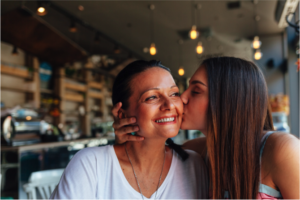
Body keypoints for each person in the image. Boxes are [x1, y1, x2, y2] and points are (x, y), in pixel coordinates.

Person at [112, 57, 300, 200]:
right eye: (182, 90)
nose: (181, 98)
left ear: (228, 100)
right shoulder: (193, 152)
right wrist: (127, 140)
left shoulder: (282, 150)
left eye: (196, 91)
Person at [50, 60, 208, 200]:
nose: (169, 105)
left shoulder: (194, 165)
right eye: (152, 97)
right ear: (121, 114)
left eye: (174, 94)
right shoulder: (92, 164)